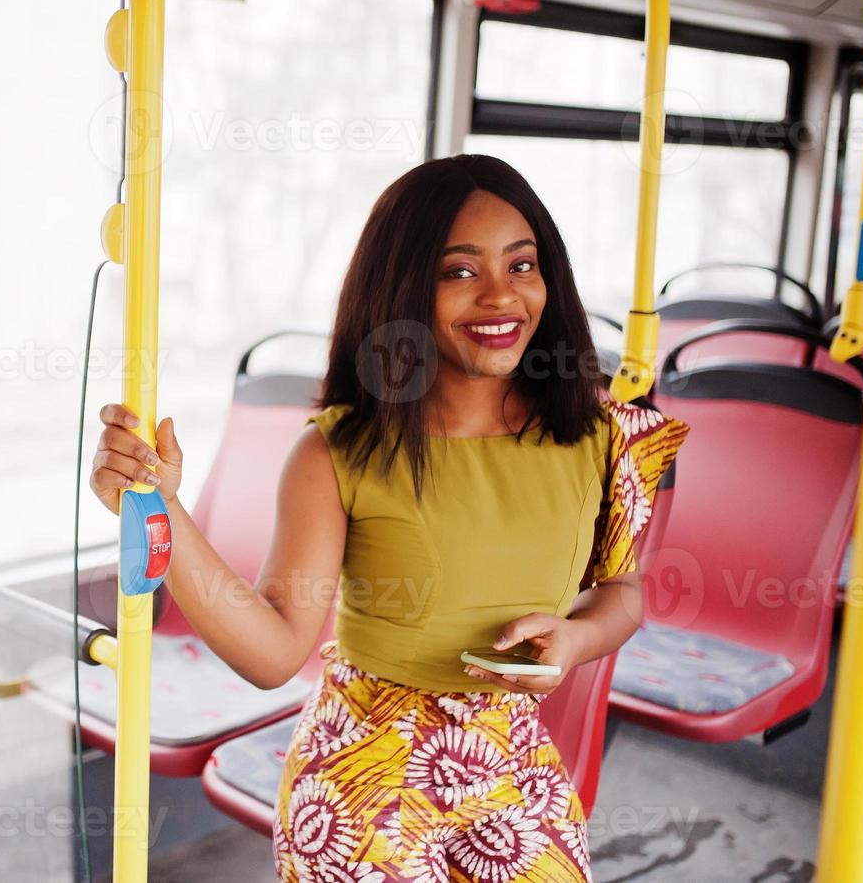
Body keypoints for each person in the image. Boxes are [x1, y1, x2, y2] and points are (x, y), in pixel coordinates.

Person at [88, 154, 690, 881]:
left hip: (513, 769)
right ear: (403, 288)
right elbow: (274, 651)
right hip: (363, 776)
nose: (501, 296)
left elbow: (620, 597)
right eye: (459, 272)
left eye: (521, 265)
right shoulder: (336, 452)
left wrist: (575, 637)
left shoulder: (602, 438)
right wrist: (162, 507)